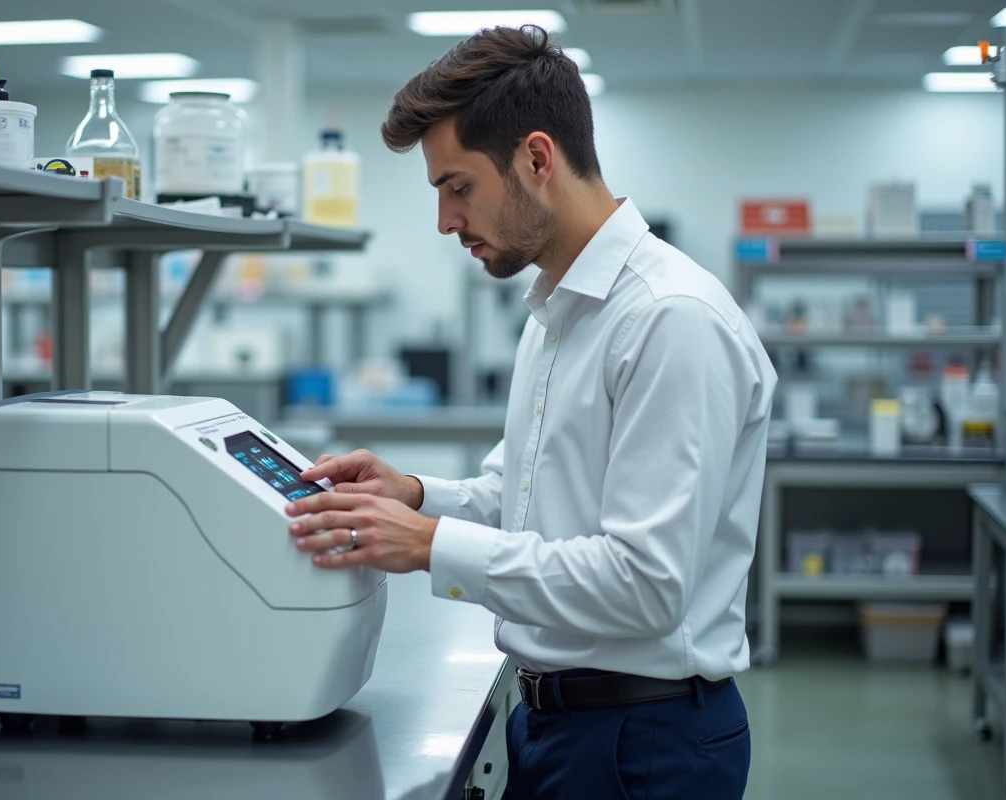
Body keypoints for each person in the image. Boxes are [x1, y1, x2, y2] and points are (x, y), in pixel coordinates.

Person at [284, 24, 776, 800]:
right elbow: (524, 503)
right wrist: (413, 497)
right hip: (555, 722)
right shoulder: (557, 308)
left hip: (643, 743)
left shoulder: (669, 319)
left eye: (458, 187)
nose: (447, 222)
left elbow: (644, 584)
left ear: (536, 160)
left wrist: (431, 544)